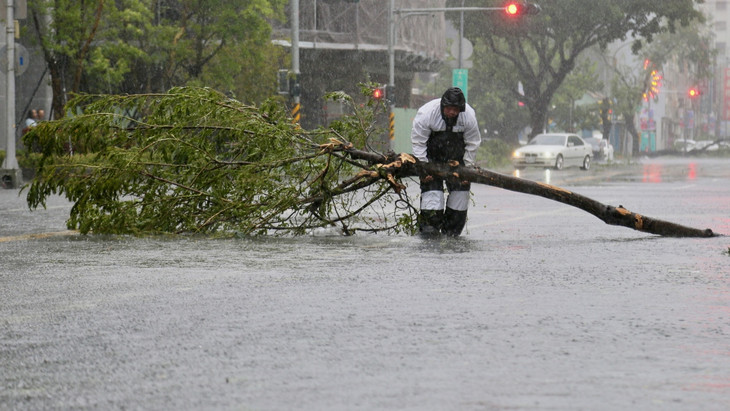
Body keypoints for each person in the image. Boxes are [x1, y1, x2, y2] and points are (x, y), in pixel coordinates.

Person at [411, 87, 481, 236]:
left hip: (457, 161)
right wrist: (423, 168)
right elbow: (418, 143)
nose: (452, 113)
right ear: (443, 106)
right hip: (431, 161)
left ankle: (452, 232)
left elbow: (473, 143)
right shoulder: (426, 114)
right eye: (449, 108)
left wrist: (467, 170)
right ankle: (430, 232)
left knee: (460, 195)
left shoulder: (469, 116)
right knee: (432, 196)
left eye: (455, 109)